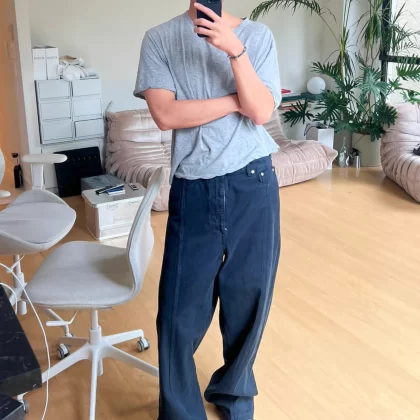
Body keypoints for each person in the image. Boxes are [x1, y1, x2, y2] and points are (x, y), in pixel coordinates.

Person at [134, 1, 281, 419]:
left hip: (253, 182)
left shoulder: (257, 37)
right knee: (178, 310)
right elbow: (166, 115)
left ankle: (234, 395)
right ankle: (180, 411)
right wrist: (234, 101)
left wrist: (235, 51)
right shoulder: (160, 38)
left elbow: (261, 110)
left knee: (249, 299)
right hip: (194, 187)